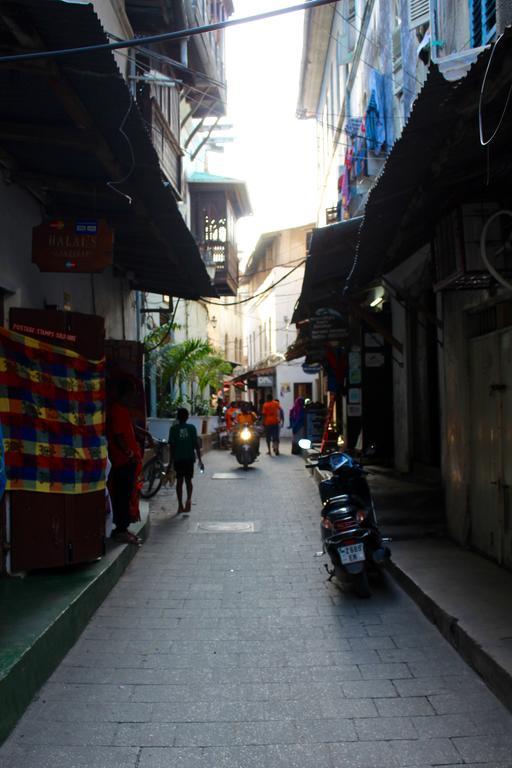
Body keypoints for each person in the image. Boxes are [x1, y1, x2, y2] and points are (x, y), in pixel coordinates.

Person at [107, 378, 143, 545]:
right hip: (123, 462)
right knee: (122, 496)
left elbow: (129, 430)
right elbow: (119, 435)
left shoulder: (123, 410)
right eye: (132, 393)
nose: (134, 397)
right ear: (125, 394)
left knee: (127, 495)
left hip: (127, 461)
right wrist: (129, 454)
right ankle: (120, 529)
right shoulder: (117, 410)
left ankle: (123, 528)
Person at [168, 408, 204, 514]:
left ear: (178, 417)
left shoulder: (173, 429)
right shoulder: (192, 428)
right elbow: (196, 445)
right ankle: (188, 500)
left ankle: (180, 505)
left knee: (179, 482)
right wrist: (200, 460)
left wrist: (170, 462)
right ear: (187, 417)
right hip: (189, 459)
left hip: (178, 459)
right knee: (189, 481)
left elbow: (172, 447)